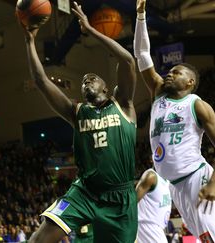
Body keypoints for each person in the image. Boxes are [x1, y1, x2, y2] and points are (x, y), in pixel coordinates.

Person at [21, 1, 137, 242]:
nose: (86, 81)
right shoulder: (76, 111)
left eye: (92, 78)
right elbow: (42, 82)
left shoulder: (123, 103)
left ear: (107, 87)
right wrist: (30, 41)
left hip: (120, 198)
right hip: (84, 192)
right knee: (38, 239)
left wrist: (90, 29)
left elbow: (127, 62)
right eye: (83, 81)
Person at [133, 0, 215, 242]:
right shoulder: (158, 92)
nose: (170, 73)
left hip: (196, 178)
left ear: (190, 82)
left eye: (177, 72)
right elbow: (142, 53)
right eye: (170, 71)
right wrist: (140, 17)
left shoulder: (196, 104)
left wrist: (214, 182)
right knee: (206, 238)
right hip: (175, 186)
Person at [135, 168, 172, 243]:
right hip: (148, 225)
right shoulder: (151, 176)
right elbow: (133, 201)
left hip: (157, 228)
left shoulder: (167, 180)